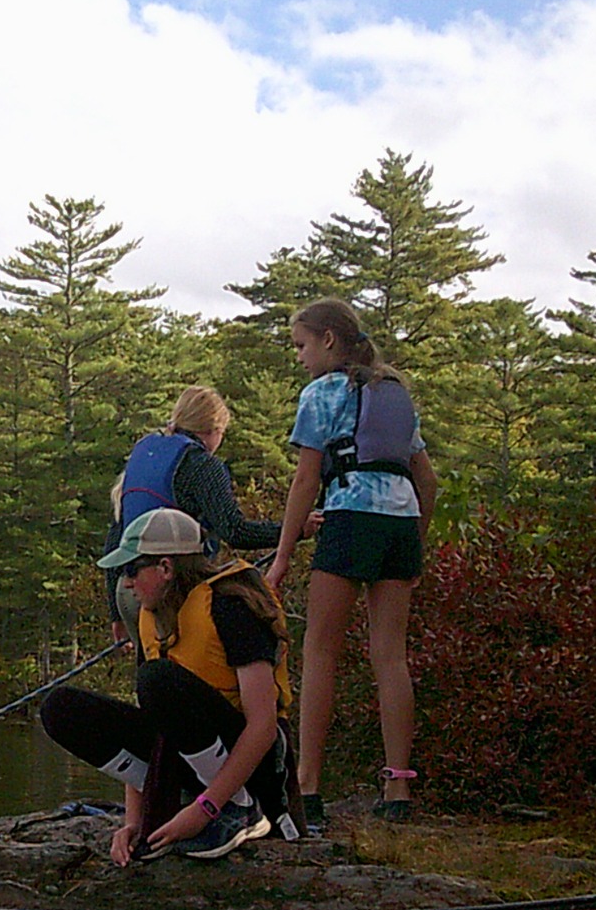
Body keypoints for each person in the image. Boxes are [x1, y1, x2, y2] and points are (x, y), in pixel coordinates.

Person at [266, 299, 438, 830]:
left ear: (329, 342)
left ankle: (307, 784)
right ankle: (398, 787)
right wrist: (416, 543)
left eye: (301, 345)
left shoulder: (322, 393)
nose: (299, 357)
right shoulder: (394, 393)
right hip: (399, 528)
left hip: (350, 520)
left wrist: (282, 556)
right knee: (390, 657)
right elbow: (427, 480)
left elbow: (305, 481)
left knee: (320, 650)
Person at [43, 507, 295, 862]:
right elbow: (156, 721)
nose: (127, 582)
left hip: (255, 770)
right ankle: (177, 801)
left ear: (165, 568)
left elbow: (264, 726)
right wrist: (135, 821)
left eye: (132, 570)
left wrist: (207, 807)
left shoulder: (230, 606)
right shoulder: (153, 618)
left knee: (157, 681)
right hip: (192, 767)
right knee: (60, 708)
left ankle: (240, 810)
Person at [106, 384, 286, 644]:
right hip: (173, 593)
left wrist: (116, 612)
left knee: (152, 678)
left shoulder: (144, 455)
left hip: (129, 590)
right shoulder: (202, 465)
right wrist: (293, 531)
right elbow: (235, 532)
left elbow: (116, 537)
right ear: (213, 429)